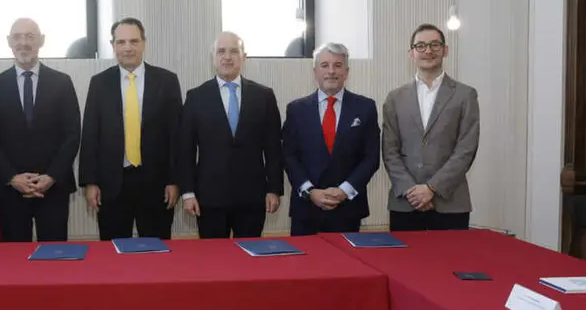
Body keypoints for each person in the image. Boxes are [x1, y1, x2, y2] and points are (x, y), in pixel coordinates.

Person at [80, 18, 182, 240]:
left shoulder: (167, 81)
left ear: (144, 43)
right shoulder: (99, 83)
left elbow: (176, 136)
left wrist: (174, 180)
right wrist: (90, 182)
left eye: (134, 41)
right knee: (113, 251)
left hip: (156, 184)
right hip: (112, 183)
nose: (128, 47)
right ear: (113, 45)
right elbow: (90, 135)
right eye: (121, 42)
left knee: (156, 249)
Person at [0, 18, 81, 242]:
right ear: (9, 42)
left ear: (41, 41)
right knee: (15, 262)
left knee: (54, 257)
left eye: (30, 36)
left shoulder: (62, 83)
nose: (23, 43)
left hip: (52, 189)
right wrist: (12, 177)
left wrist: (52, 176)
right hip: (11, 190)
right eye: (17, 37)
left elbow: (73, 135)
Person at [178, 32, 283, 238]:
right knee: (215, 263)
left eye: (234, 51)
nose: (227, 57)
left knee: (250, 260)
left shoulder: (264, 96)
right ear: (213, 57)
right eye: (221, 51)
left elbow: (273, 148)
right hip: (209, 198)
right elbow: (185, 150)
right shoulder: (196, 97)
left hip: (253, 197)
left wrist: (274, 189)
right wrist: (188, 192)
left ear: (244, 57)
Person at [382, 23, 480, 231]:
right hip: (405, 204)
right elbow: (389, 151)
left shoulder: (465, 95)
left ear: (445, 50)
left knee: (450, 263)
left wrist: (432, 188)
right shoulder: (395, 98)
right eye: (421, 46)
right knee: (404, 264)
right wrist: (412, 191)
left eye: (435, 45)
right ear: (411, 53)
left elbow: (466, 149)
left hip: (450, 203)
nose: (428, 51)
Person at [281, 42, 380, 236]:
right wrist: (310, 192)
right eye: (325, 65)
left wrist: (344, 190)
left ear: (347, 71)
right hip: (306, 209)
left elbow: (371, 158)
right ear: (315, 71)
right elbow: (289, 156)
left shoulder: (365, 107)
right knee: (304, 266)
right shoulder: (296, 109)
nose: (331, 71)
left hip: (347, 209)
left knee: (346, 266)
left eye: (338, 65)